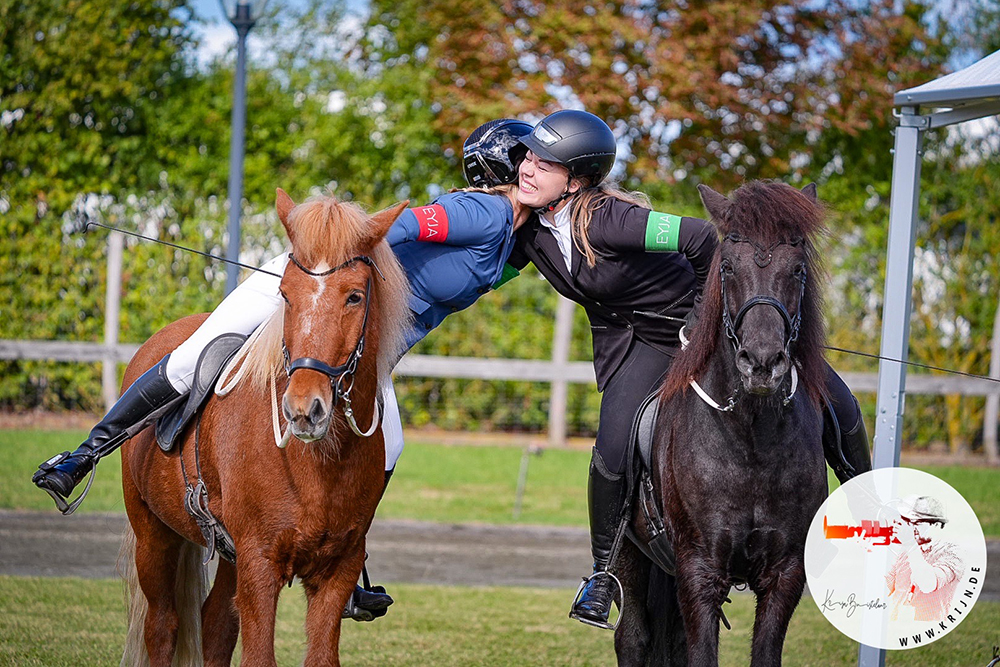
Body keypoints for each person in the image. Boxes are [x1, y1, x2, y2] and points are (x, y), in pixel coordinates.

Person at [31, 117, 538, 620]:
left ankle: (349, 560)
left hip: (355, 346)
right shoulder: (484, 214)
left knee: (392, 442)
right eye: (533, 161)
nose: (540, 170)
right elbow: (406, 224)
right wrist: (327, 245)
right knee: (192, 356)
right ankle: (82, 456)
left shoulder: (510, 244)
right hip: (317, 276)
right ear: (512, 166)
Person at [491, 109, 873, 628]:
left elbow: (702, 240)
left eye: (544, 163)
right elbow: (484, 271)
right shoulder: (532, 234)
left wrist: (703, 321)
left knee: (836, 398)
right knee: (612, 444)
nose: (527, 169)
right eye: (528, 157)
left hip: (697, 326)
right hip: (640, 346)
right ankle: (603, 576)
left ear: (575, 180)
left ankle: (872, 525)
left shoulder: (614, 220)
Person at [886, 495, 964, 622]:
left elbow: (928, 584)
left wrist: (910, 543)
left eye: (913, 521)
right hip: (898, 628)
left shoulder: (951, 554)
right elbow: (887, 586)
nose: (906, 526)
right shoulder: (909, 549)